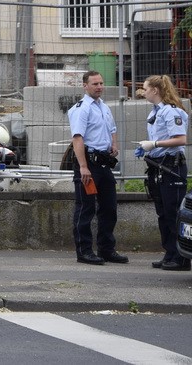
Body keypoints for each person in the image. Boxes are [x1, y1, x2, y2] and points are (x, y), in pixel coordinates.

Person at [67, 70, 127, 265]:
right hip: (89, 164)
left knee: (109, 208)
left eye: (101, 83)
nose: (100, 87)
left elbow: (112, 129)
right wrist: (83, 167)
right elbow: (77, 138)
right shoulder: (81, 108)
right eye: (95, 84)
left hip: (103, 163)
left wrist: (114, 144)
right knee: (86, 208)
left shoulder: (103, 107)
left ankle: (106, 249)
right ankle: (84, 251)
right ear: (85, 86)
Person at [136, 74, 189, 270]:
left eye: (146, 88)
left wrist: (155, 144)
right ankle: (169, 253)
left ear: (155, 90)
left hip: (172, 167)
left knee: (173, 212)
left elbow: (180, 139)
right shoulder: (155, 112)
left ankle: (181, 257)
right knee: (162, 213)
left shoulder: (170, 112)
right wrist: (147, 147)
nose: (144, 91)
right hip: (158, 165)